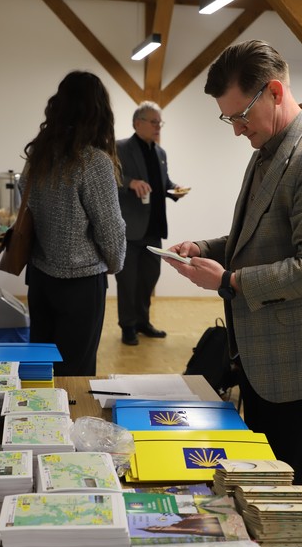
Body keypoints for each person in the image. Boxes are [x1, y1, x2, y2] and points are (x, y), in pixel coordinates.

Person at [168, 39, 302, 487]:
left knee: (276, 492)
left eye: (240, 116)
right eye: (228, 119)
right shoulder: (269, 149)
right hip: (260, 354)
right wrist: (203, 248)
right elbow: (257, 238)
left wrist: (230, 281)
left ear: (274, 92)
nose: (237, 130)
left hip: (294, 361)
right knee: (255, 480)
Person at [18, 70, 126, 376]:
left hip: (39, 278)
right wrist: (115, 264)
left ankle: (37, 410)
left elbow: (26, 202)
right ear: (99, 111)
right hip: (81, 285)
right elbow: (111, 229)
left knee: (42, 370)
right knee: (75, 374)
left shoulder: (39, 155)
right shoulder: (93, 162)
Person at [115, 101, 188, 346]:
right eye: (154, 122)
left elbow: (163, 182)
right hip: (130, 228)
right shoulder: (120, 148)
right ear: (138, 123)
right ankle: (127, 326)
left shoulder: (160, 152)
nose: (158, 126)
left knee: (149, 277)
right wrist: (130, 182)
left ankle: (142, 322)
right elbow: (112, 177)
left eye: (160, 122)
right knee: (128, 282)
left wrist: (175, 189)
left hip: (154, 227)